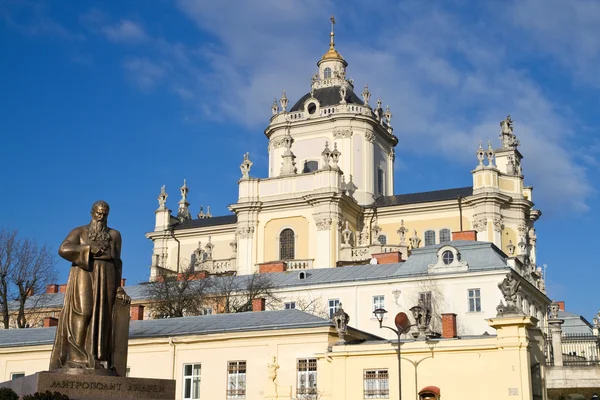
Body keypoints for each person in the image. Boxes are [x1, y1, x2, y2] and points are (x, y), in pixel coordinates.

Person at [49, 200, 130, 374]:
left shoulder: (115, 235)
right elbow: (63, 249)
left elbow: (117, 262)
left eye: (105, 214)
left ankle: (96, 357)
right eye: (98, 213)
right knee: (83, 311)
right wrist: (87, 248)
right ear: (92, 213)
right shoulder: (80, 231)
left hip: (107, 274)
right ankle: (76, 357)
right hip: (84, 272)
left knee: (102, 315)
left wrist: (119, 287)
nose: (101, 217)